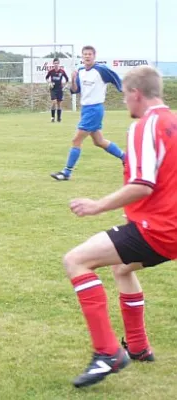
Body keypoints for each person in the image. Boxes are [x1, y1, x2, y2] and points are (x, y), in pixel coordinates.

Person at [64, 65, 177, 388]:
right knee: (123, 268)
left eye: (125, 95)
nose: (125, 102)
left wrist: (97, 205)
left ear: (136, 94)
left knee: (76, 260)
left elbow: (142, 184)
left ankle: (107, 352)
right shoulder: (174, 122)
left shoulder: (145, 127)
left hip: (157, 230)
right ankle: (138, 346)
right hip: (172, 229)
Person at [50, 46, 125, 181]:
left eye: (90, 54)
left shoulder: (101, 70)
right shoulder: (80, 71)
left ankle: (66, 172)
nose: (87, 56)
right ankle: (125, 158)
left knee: (76, 140)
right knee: (99, 141)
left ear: (94, 56)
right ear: (82, 56)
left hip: (94, 109)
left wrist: (124, 90)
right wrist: (73, 79)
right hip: (86, 109)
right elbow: (75, 90)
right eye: (85, 54)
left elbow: (115, 78)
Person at [45, 57, 69, 122]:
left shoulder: (62, 71)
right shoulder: (51, 71)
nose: (56, 64)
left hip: (60, 89)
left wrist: (65, 86)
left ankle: (59, 118)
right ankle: (52, 117)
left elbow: (67, 79)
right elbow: (46, 78)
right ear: (53, 64)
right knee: (54, 102)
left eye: (57, 63)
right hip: (53, 89)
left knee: (59, 103)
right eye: (55, 63)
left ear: (59, 64)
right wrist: (49, 83)